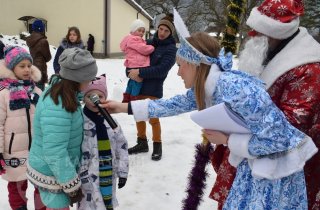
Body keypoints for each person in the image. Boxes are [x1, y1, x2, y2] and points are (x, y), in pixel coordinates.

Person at [102, 19, 318, 209]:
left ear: (195, 65)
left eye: (180, 66)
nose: (177, 73)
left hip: (276, 174)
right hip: (253, 166)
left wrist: (228, 139)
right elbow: (169, 105)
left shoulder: (237, 90)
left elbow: (280, 139)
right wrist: (121, 107)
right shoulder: (207, 87)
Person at [210, 0, 320, 209]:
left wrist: (230, 138)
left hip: (281, 172)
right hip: (249, 161)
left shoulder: (308, 69)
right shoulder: (269, 52)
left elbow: (289, 132)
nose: (252, 35)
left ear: (277, 32)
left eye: (258, 30)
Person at [26, 48, 98, 210]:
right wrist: (71, 186)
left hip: (55, 172)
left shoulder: (65, 94)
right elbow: (55, 152)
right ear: (76, 79)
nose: (90, 83)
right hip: (52, 175)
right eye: (88, 79)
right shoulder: (58, 105)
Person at [126, 14, 177, 161]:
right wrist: (130, 72)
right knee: (139, 116)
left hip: (153, 88)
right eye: (160, 29)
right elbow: (131, 59)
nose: (162, 33)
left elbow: (161, 70)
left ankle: (157, 145)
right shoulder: (147, 43)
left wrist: (140, 72)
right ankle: (142, 143)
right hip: (138, 86)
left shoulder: (171, 49)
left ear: (170, 33)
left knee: (153, 118)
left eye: (166, 31)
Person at [0, 46, 45, 210]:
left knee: (42, 185)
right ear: (12, 67)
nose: (27, 69)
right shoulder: (3, 94)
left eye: (28, 65)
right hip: (14, 151)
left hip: (37, 150)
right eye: (22, 66)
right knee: (17, 187)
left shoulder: (37, 92)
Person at [78, 74, 129, 210]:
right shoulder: (79, 121)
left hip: (107, 173)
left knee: (106, 204)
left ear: (105, 98)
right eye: (90, 96)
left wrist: (123, 172)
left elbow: (122, 146)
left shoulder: (111, 122)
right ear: (84, 98)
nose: (95, 101)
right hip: (86, 176)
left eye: (100, 96)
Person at [120, 19, 155, 103]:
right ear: (133, 30)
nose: (141, 33)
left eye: (143, 31)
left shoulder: (129, 39)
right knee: (138, 82)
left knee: (132, 82)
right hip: (137, 65)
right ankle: (133, 99)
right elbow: (143, 49)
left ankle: (127, 97)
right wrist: (152, 47)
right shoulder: (134, 39)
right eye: (139, 30)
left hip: (132, 64)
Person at [26, 19, 52, 91]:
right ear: (42, 29)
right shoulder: (43, 41)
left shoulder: (30, 40)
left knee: (34, 90)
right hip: (40, 67)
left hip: (32, 65)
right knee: (40, 91)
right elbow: (48, 57)